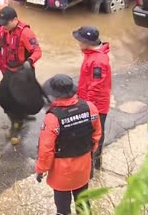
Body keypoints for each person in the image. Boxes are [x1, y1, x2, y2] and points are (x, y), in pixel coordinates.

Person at [35, 74, 102, 215]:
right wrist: (90, 151)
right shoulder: (90, 107)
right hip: (83, 167)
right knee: (83, 202)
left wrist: (41, 169)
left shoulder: (52, 118)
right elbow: (96, 134)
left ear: (54, 95)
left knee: (63, 207)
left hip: (62, 173)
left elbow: (45, 150)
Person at [0, 6, 43, 144]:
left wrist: (30, 61)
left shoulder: (26, 33)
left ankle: (16, 126)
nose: (4, 26)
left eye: (6, 23)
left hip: (23, 72)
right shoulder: (5, 30)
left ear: (15, 20)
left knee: (20, 100)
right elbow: (2, 47)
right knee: (3, 98)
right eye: (2, 23)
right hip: (9, 71)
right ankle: (16, 119)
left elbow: (38, 51)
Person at [73, 26, 111, 170]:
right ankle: (93, 163)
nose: (78, 43)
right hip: (90, 102)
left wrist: (86, 106)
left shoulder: (98, 61)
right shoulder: (91, 54)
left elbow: (96, 87)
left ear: (87, 42)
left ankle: (94, 165)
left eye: (80, 40)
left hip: (96, 106)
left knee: (95, 136)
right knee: (94, 135)